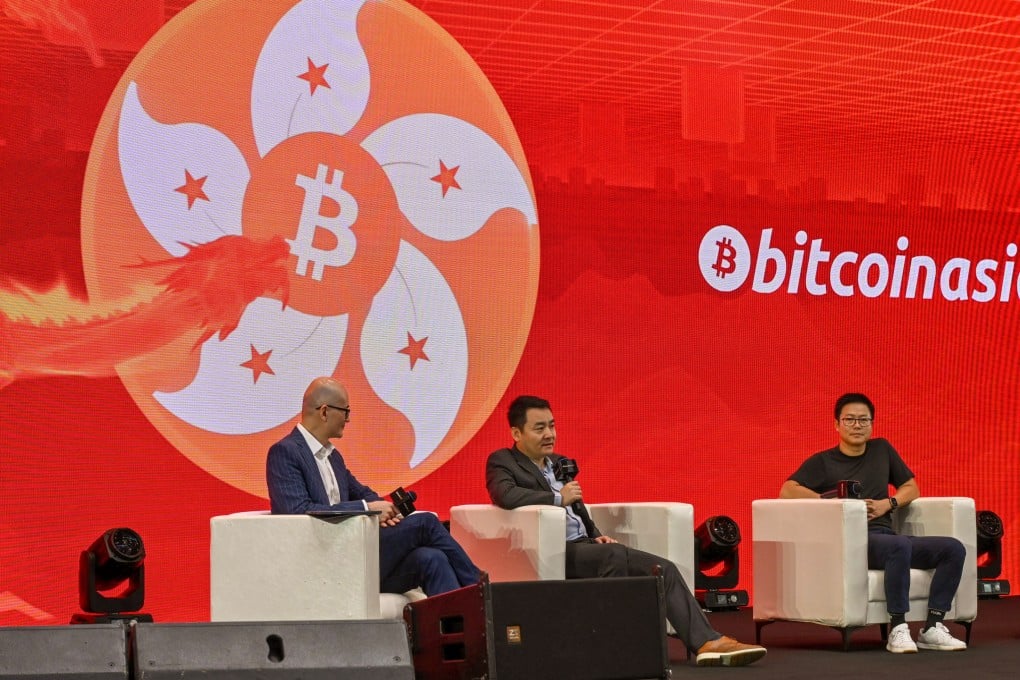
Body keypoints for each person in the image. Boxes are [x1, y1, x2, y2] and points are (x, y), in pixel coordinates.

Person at [486, 395, 767, 667]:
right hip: (550, 550)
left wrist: (594, 532)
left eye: (552, 425)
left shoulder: (559, 463)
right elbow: (505, 495)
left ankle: (707, 643)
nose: (549, 434)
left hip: (584, 544)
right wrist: (557, 498)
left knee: (663, 568)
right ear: (516, 432)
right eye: (539, 428)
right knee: (612, 556)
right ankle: (615, 648)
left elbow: (577, 507)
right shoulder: (503, 461)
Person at [780, 392, 967, 654]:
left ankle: (933, 626)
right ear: (837, 424)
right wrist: (830, 501)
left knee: (953, 548)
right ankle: (898, 627)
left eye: (863, 420)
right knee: (898, 545)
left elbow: (911, 487)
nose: (857, 425)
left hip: (887, 537)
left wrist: (887, 504)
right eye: (850, 420)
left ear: (872, 424)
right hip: (854, 541)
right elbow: (787, 490)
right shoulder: (824, 461)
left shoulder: (882, 449)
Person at [267, 376, 480, 596]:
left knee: (431, 558)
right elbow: (297, 512)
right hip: (325, 559)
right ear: (324, 412)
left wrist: (387, 510)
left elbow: (363, 494)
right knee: (426, 523)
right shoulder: (286, 452)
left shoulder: (332, 457)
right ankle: (478, 588)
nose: (348, 420)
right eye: (345, 411)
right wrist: (368, 509)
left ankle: (466, 622)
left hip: (352, 551)